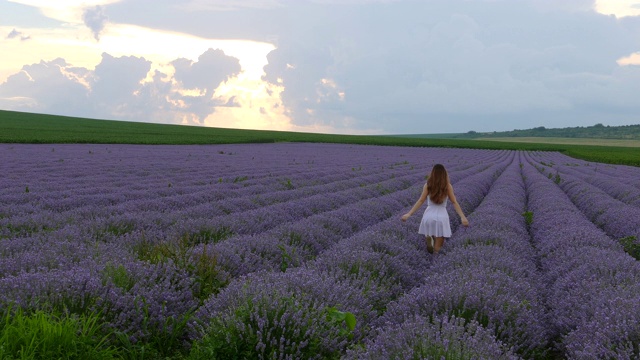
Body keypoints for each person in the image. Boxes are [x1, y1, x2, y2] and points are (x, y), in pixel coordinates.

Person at [401, 164, 469, 254]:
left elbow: (421, 200)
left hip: (428, 215)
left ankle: (430, 239)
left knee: (430, 230)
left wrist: (409, 214)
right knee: (438, 248)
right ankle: (435, 254)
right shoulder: (447, 186)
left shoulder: (428, 185)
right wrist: (462, 217)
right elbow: (454, 202)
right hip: (441, 216)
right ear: (445, 174)